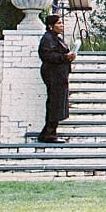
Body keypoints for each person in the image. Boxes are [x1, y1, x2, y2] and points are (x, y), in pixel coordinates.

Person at [36, 13, 76, 143]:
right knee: (55, 102)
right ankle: (50, 133)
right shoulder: (48, 39)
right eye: (59, 23)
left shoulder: (55, 38)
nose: (62, 25)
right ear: (50, 26)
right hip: (53, 74)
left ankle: (48, 131)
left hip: (59, 74)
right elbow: (48, 56)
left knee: (56, 101)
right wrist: (65, 57)